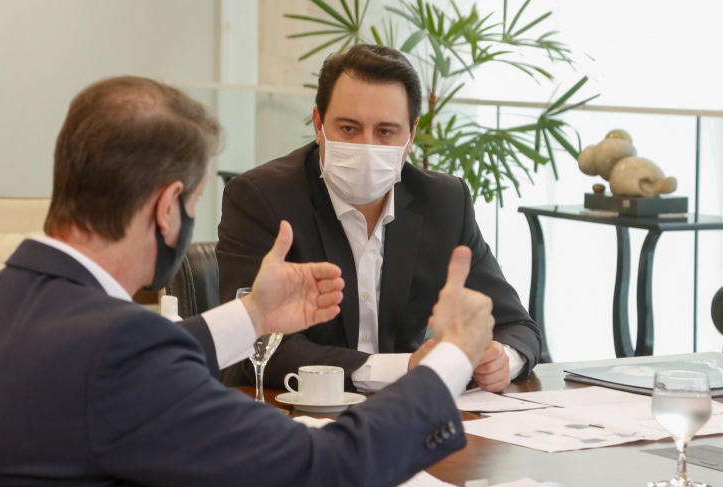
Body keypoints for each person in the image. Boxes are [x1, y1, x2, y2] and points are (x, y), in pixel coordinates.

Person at [0, 76, 497, 487]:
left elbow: (115, 374)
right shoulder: (117, 350)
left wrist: (253, 315)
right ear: (168, 209)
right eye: (193, 203)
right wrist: (447, 357)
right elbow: (328, 474)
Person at [218, 44, 541, 395]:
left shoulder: (445, 202)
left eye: (386, 131)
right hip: (286, 413)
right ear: (318, 124)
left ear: (411, 136)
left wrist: (503, 358)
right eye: (348, 128)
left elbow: (517, 326)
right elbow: (254, 344)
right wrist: (402, 369)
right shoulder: (260, 197)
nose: (367, 147)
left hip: (405, 418)